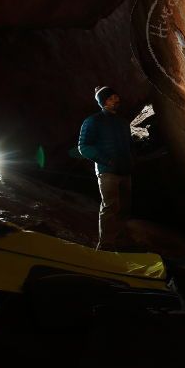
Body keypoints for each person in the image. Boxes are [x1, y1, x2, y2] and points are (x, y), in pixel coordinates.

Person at [78, 86, 133, 250]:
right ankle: (106, 245)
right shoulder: (93, 121)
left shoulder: (123, 123)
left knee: (124, 207)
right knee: (110, 207)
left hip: (125, 171)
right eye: (111, 98)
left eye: (116, 97)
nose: (115, 100)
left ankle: (121, 241)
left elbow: (129, 145)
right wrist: (105, 161)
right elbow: (83, 146)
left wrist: (132, 161)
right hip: (107, 172)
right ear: (103, 102)